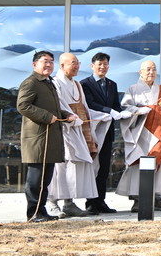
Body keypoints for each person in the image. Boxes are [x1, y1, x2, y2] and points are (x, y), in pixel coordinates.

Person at [46, 53, 113, 218]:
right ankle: (52, 202)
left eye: (77, 63)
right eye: (72, 63)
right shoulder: (55, 83)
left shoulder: (76, 84)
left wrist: (101, 116)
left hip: (79, 130)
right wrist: (70, 117)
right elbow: (58, 106)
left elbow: (84, 108)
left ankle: (68, 203)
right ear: (62, 66)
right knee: (59, 167)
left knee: (73, 168)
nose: (76, 66)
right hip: (63, 130)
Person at [17, 50, 77, 223]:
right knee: (35, 180)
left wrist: (66, 115)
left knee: (45, 180)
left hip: (50, 139)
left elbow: (54, 110)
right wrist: (45, 116)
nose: (49, 64)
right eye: (45, 61)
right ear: (34, 64)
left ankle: (41, 211)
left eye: (51, 61)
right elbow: (22, 105)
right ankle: (34, 213)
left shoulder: (49, 83)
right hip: (38, 139)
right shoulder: (31, 82)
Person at [117, 60, 161, 213]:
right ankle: (138, 199)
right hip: (141, 132)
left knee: (159, 161)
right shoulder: (132, 89)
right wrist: (138, 111)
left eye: (154, 69)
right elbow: (125, 107)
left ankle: (157, 197)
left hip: (159, 131)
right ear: (140, 72)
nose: (151, 72)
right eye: (148, 69)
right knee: (139, 162)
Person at [80, 52, 130, 215]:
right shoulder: (85, 84)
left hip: (107, 132)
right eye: (99, 64)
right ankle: (90, 202)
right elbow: (89, 104)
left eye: (106, 64)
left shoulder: (112, 84)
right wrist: (109, 111)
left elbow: (116, 105)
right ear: (92, 66)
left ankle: (101, 201)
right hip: (93, 132)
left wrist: (125, 112)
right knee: (92, 168)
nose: (103, 67)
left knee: (103, 168)